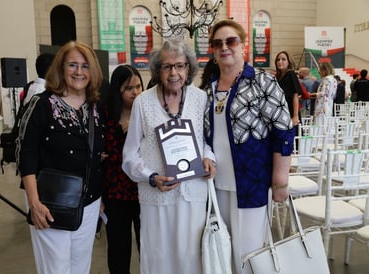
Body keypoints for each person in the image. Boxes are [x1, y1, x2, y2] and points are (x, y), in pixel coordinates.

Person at [203, 19, 294, 274]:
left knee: (249, 256)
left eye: (230, 41)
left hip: (251, 184)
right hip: (216, 186)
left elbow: (284, 131)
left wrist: (280, 179)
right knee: (222, 252)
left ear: (242, 45)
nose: (224, 47)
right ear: (212, 49)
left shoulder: (262, 82)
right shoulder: (208, 89)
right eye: (218, 43)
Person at [122, 40, 217, 274]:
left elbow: (207, 142)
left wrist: (209, 159)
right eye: (166, 66)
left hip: (192, 194)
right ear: (157, 70)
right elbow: (129, 155)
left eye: (180, 66)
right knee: (158, 257)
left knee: (191, 257)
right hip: (156, 196)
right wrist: (151, 177)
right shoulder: (143, 102)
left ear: (189, 68)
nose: (174, 73)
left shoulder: (200, 98)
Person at [17, 41, 106, 274]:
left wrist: (99, 199)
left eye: (85, 66)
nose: (79, 72)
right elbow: (26, 155)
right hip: (50, 203)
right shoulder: (42, 104)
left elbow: (97, 156)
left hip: (89, 201)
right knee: (56, 268)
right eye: (73, 65)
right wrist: (34, 203)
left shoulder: (95, 106)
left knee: (80, 266)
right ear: (60, 68)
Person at [103, 64, 143, 274]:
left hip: (143, 192)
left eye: (138, 86)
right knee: (119, 250)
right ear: (118, 90)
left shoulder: (146, 114)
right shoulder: (105, 115)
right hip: (115, 194)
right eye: (129, 88)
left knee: (147, 248)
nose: (135, 92)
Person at [275, 50, 301, 133]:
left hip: (290, 111)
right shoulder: (278, 77)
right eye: (278, 60)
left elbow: (295, 96)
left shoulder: (291, 74)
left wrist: (295, 116)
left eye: (283, 59)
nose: (280, 62)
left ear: (288, 62)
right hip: (281, 112)